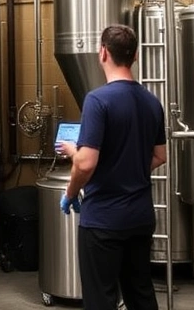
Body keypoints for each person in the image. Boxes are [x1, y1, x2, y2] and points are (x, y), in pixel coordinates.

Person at [56, 24, 167, 310]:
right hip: (140, 217)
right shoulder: (152, 102)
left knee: (101, 298)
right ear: (135, 56)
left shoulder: (97, 100)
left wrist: (71, 191)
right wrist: (127, 168)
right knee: (140, 294)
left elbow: (86, 163)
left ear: (103, 52)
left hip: (104, 220)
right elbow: (160, 155)